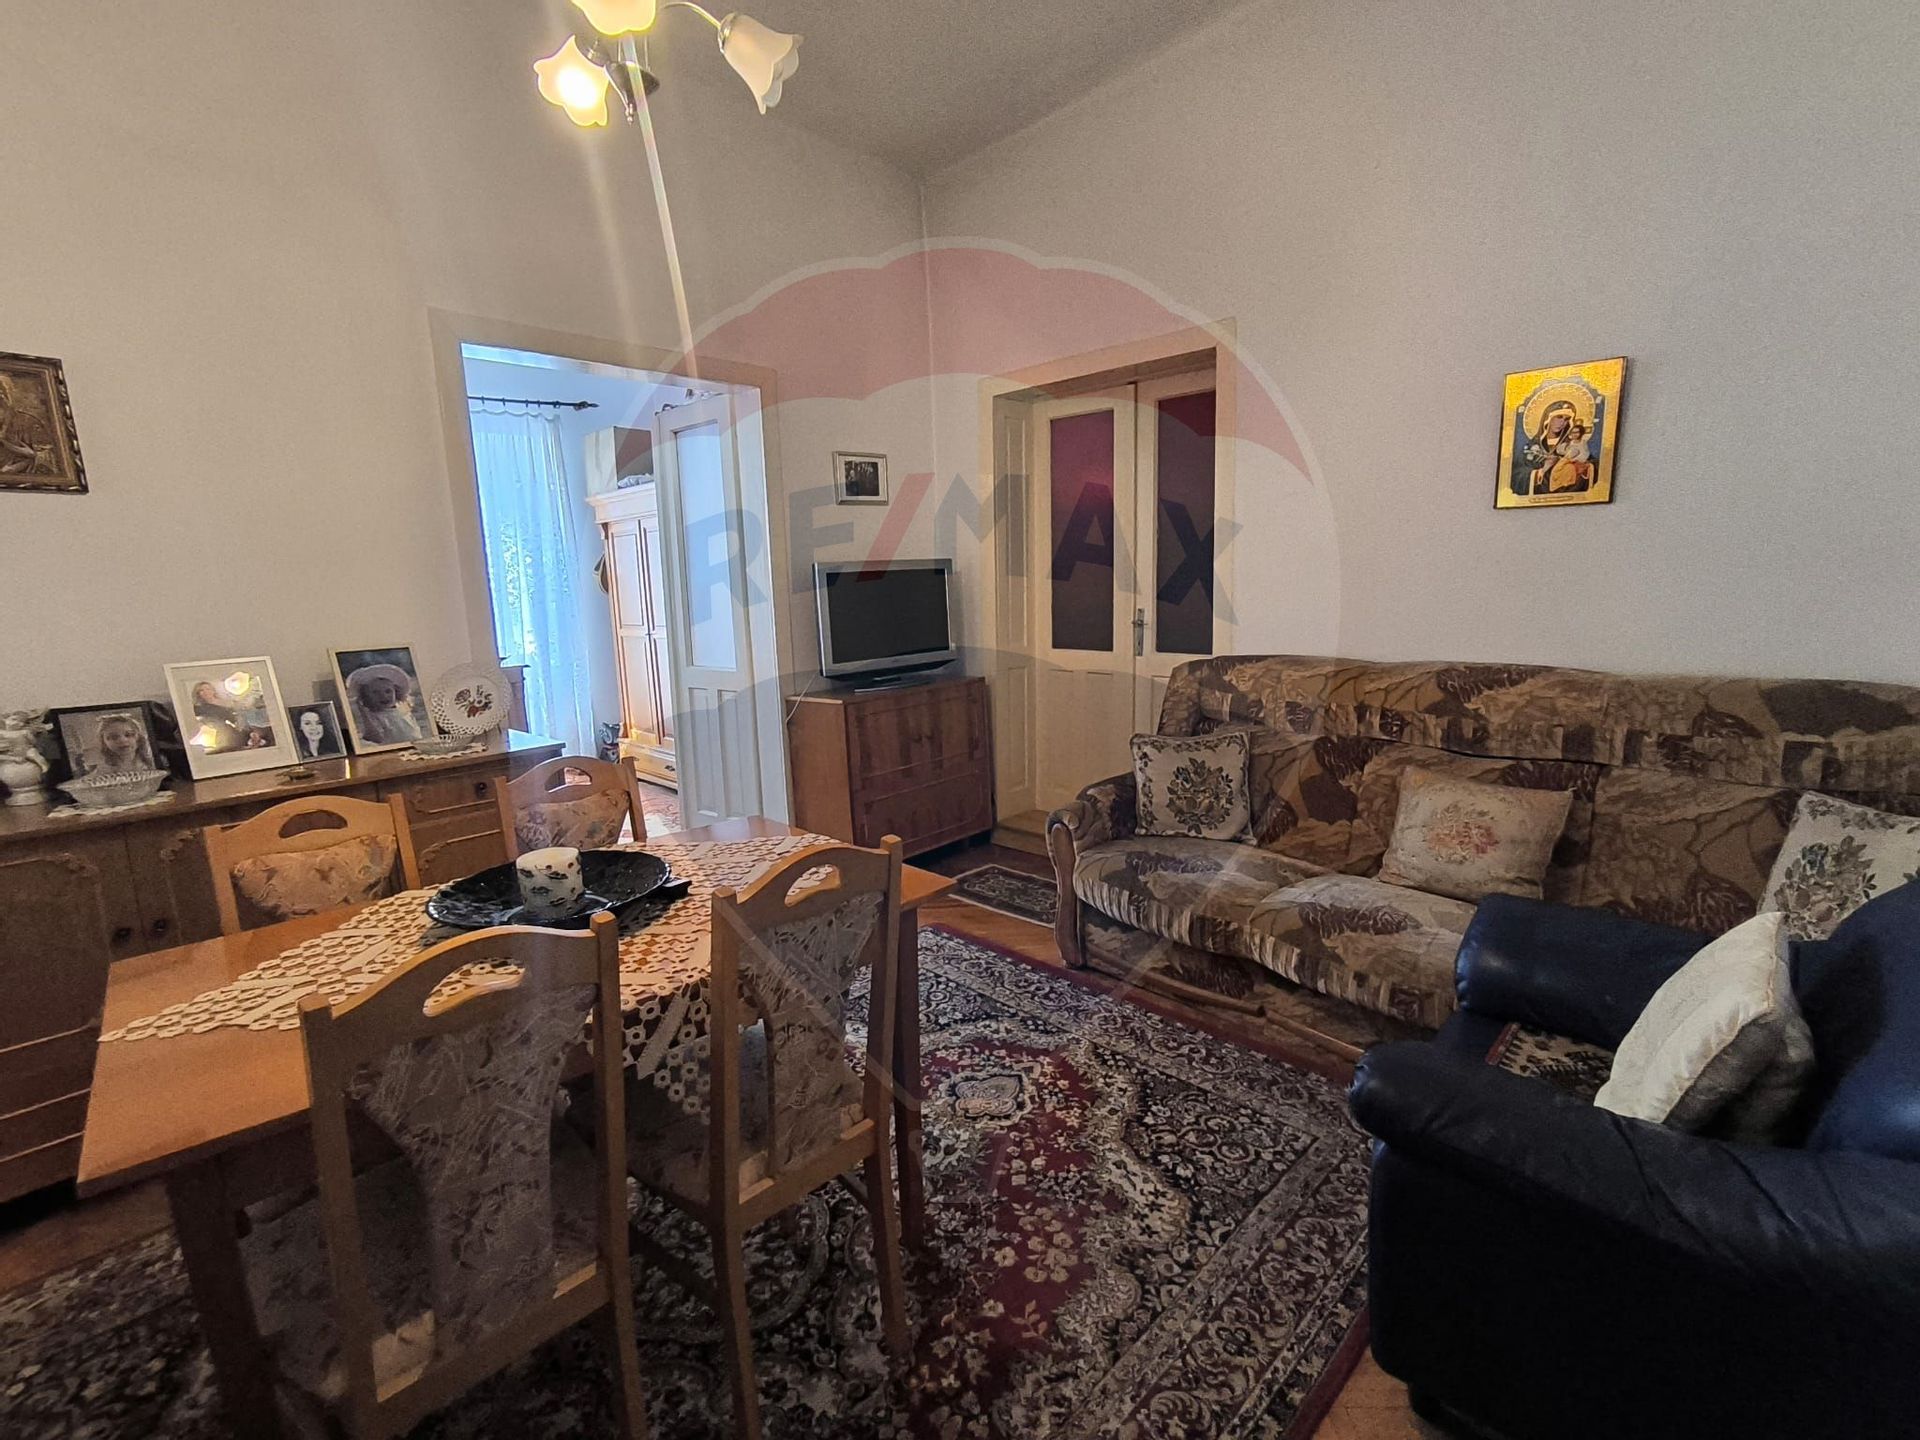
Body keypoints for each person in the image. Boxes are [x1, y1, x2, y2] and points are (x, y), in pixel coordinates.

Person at [347, 663, 423, 745]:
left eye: (388, 691)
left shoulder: (402, 709)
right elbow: (375, 738)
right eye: (375, 692)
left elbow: (414, 732)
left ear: (396, 691)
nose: (383, 696)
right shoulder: (373, 716)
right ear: (366, 696)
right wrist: (362, 711)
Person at [78, 713, 154, 777]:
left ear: (139, 738)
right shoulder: (101, 773)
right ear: (104, 743)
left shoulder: (152, 764)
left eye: (128, 735)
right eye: (114, 737)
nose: (122, 740)